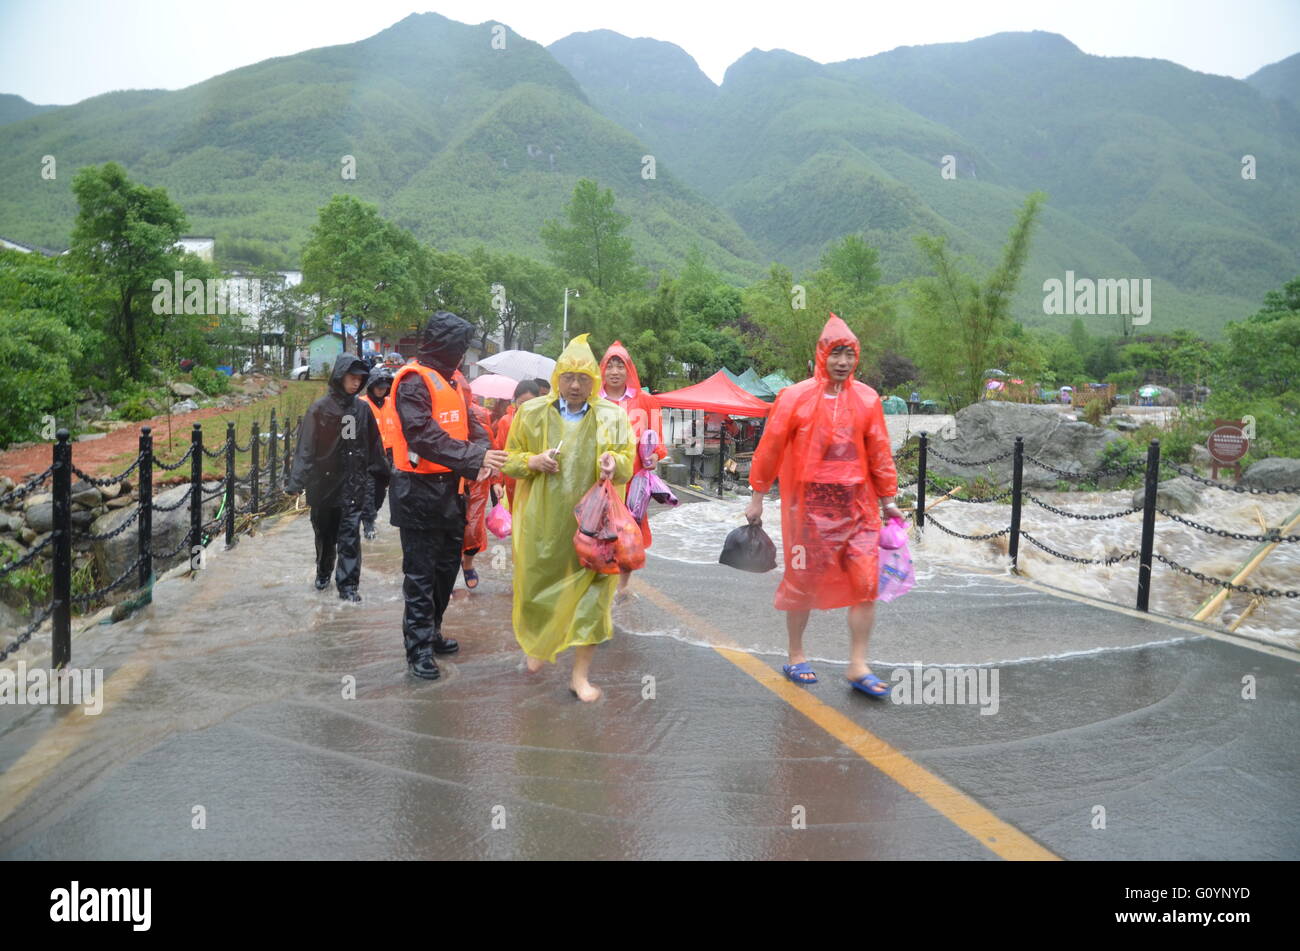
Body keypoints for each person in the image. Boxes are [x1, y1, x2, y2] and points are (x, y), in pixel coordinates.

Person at [744, 314, 902, 697]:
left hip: (858, 509)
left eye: (849, 354)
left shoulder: (867, 399)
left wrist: (889, 500)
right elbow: (771, 447)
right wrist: (757, 496)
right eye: (836, 354)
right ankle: (796, 655)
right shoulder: (794, 398)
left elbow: (879, 450)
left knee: (866, 585)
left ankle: (858, 664)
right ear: (822, 355)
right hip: (808, 511)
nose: (843, 362)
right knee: (803, 583)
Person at [503, 334, 635, 702]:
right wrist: (532, 461)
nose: (575, 385)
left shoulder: (613, 417)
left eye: (583, 378)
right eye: (568, 377)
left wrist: (614, 463)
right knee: (536, 590)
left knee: (593, 600)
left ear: (593, 381)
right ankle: (538, 646)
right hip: (543, 524)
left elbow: (627, 463)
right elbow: (509, 459)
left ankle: (579, 677)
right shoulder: (531, 413)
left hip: (595, 527)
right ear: (558, 376)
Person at [389, 311, 509, 680]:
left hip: (452, 491)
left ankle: (434, 630)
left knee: (445, 570)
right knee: (421, 574)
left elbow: (473, 426)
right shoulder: (414, 382)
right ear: (444, 345)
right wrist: (475, 457)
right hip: (418, 493)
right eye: (458, 348)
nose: (461, 356)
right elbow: (422, 435)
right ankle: (418, 648)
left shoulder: (453, 383)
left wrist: (484, 453)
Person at [285, 353, 388, 602]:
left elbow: (373, 446)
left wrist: (385, 475)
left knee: (350, 537)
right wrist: (296, 482)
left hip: (352, 487)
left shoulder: (361, 409)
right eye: (352, 378)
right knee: (324, 535)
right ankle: (323, 572)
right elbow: (306, 447)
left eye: (360, 379)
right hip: (323, 486)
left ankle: (348, 587)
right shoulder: (319, 409)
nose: (356, 383)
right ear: (340, 377)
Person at [598, 341, 667, 596]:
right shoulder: (593, 401)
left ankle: (622, 586)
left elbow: (657, 440)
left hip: (633, 480)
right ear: (602, 370)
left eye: (620, 365)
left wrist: (655, 457)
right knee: (599, 528)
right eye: (610, 366)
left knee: (628, 531)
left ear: (629, 370)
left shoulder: (645, 401)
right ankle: (601, 579)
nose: (614, 371)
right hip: (600, 477)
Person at [455, 371, 498, 590]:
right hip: (449, 479)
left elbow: (491, 447)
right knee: (449, 528)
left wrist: (496, 481)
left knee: (473, 530)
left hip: (477, 479)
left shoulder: (480, 416)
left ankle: (468, 563)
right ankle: (450, 569)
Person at [358, 365, 397, 539]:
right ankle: (368, 524)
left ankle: (369, 515)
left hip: (389, 455)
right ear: (371, 386)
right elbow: (348, 430)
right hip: (368, 455)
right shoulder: (360, 404)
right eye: (378, 386)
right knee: (369, 490)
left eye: (384, 387)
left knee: (381, 493)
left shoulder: (393, 404)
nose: (382, 390)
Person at [495, 378, 541, 508]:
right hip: (513, 479)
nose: (526, 408)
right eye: (522, 403)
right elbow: (499, 451)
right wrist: (497, 482)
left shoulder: (543, 421)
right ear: (515, 402)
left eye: (531, 403)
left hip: (535, 477)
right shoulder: (506, 421)